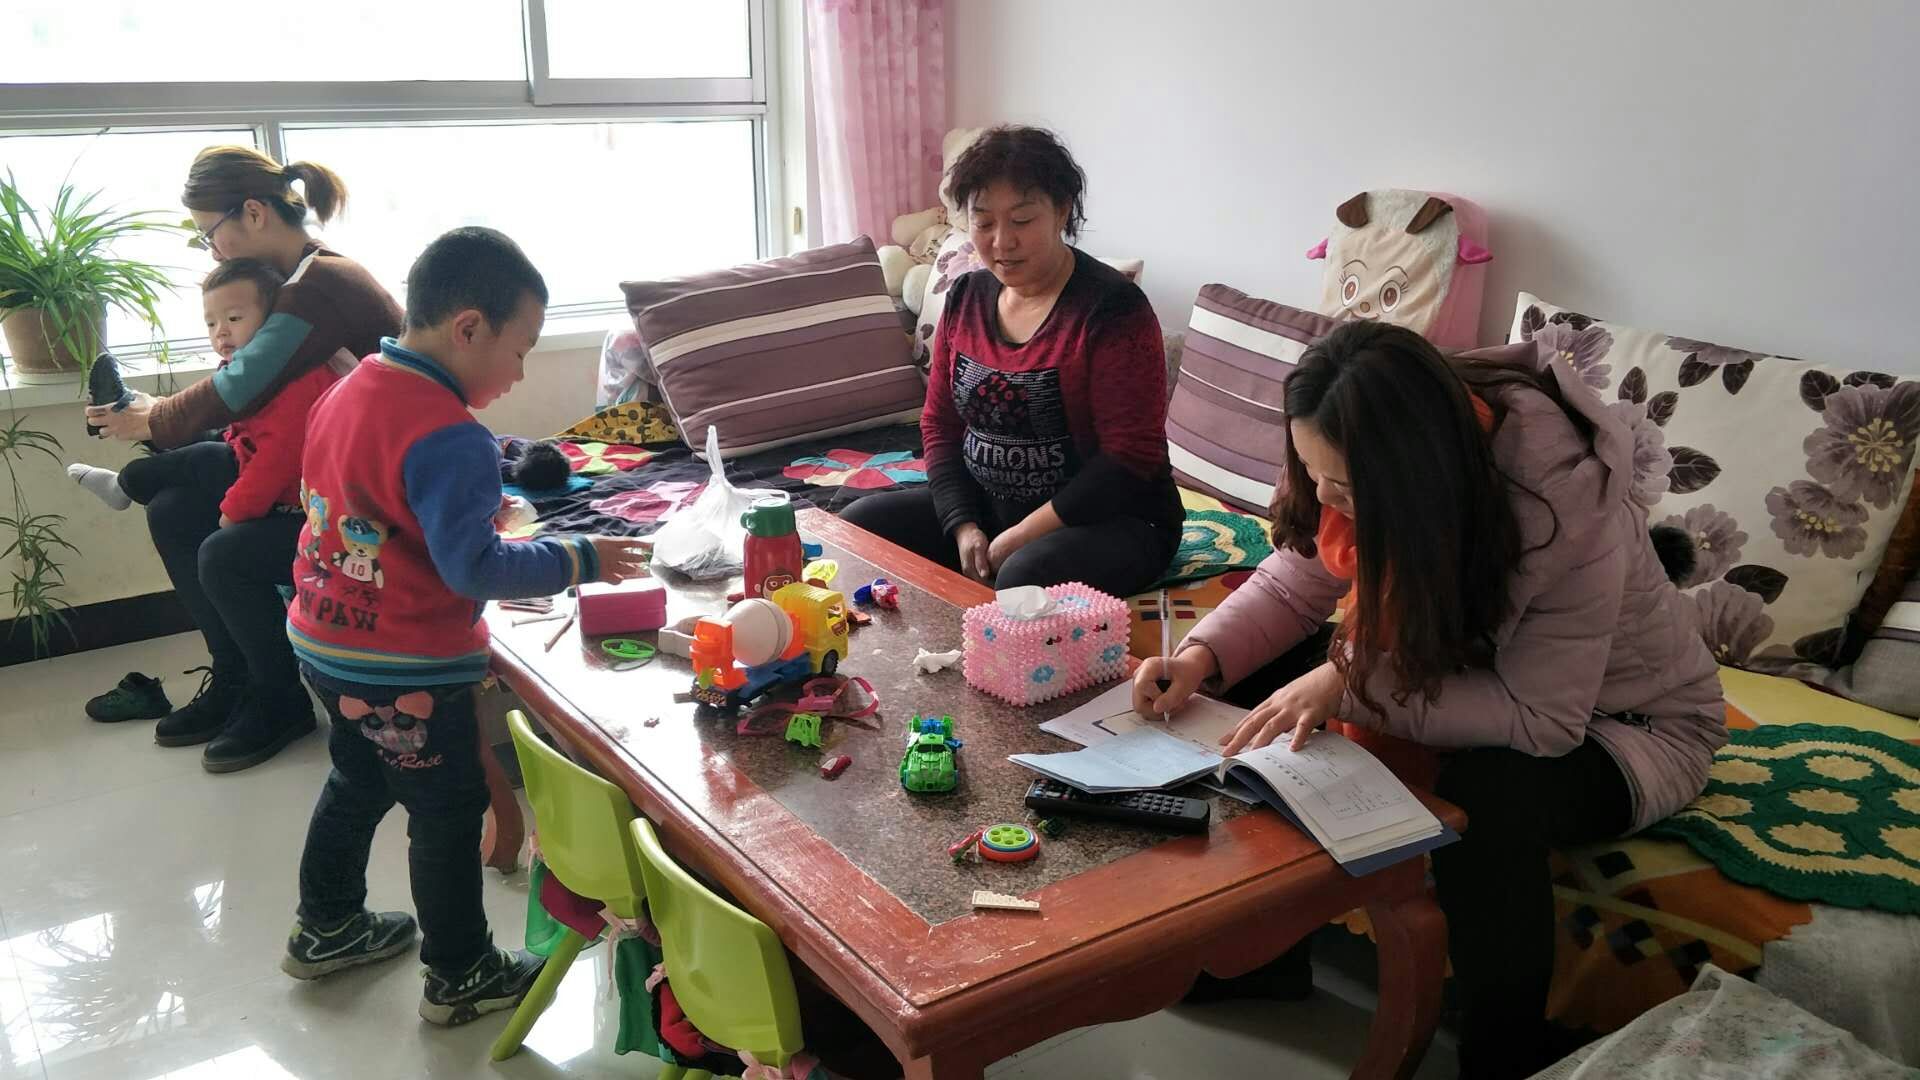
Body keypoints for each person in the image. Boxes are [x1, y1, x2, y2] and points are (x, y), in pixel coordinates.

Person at [1132, 322, 1727, 1080]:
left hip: (1631, 726)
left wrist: (1352, 684)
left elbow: (1543, 721)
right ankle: (1265, 954)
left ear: (1415, 477)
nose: (1325, 496)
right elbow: (1294, 583)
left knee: (1487, 795)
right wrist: (1197, 659)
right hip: (1466, 670)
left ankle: (1502, 1057)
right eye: (1311, 473)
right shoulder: (1354, 446)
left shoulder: (1561, 506)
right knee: (1257, 692)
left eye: (1345, 487)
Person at [279, 226, 649, 1025]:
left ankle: (326, 926)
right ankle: (461, 974)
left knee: (356, 780)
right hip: (404, 667)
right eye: (521, 350)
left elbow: (372, 500)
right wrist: (579, 557)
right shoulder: (450, 434)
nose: (520, 374)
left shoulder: (351, 385)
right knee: (445, 814)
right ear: (469, 328)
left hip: (323, 637)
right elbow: (474, 570)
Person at [85, 146, 402, 772]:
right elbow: (255, 401)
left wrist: (156, 419)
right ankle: (237, 677)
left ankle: (279, 698)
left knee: (223, 551)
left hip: (369, 498)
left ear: (253, 213)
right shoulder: (295, 281)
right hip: (322, 475)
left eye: (210, 234)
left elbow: (241, 384)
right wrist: (160, 417)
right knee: (173, 508)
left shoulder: (319, 286)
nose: (214, 252)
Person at [841, 126, 1182, 598]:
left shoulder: (1113, 309)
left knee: (1020, 577)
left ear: (1062, 211)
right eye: (983, 224)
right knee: (857, 529)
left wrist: (1021, 535)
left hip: (1115, 520)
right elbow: (939, 423)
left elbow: (1129, 457)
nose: (1002, 242)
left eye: (1022, 220)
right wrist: (962, 525)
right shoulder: (967, 296)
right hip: (992, 510)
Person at [69, 258, 339, 527]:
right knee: (196, 439)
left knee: (206, 456)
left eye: (234, 318)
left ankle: (123, 485)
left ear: (273, 322)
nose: (221, 331)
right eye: (211, 324)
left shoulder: (300, 378)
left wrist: (235, 513)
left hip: (292, 495)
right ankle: (127, 407)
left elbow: (277, 461)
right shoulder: (241, 365)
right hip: (243, 450)